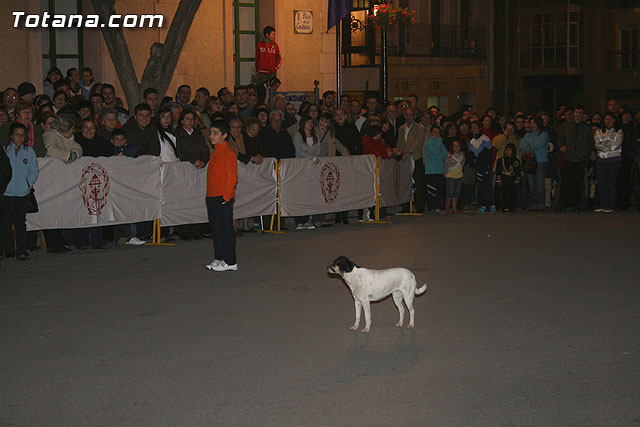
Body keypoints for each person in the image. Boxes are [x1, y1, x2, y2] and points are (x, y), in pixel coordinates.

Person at [1, 123, 39, 261]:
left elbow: (34, 170)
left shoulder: (29, 152)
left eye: (22, 135)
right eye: (17, 134)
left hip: (22, 193)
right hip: (6, 193)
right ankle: (2, 250)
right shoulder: (4, 150)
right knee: (4, 222)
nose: (20, 137)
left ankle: (21, 250)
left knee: (20, 223)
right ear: (11, 135)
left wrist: (27, 184)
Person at [205, 119, 238, 272]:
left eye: (215, 133)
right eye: (211, 133)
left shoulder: (228, 153)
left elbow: (231, 177)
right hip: (212, 195)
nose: (211, 136)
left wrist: (226, 197)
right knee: (216, 228)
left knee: (226, 229)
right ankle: (220, 258)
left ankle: (230, 261)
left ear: (224, 135)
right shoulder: (215, 153)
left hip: (222, 197)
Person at [292, 116, 329, 229]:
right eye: (308, 122)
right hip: (301, 167)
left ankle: (308, 218)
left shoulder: (315, 135)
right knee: (301, 193)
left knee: (312, 193)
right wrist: (311, 157)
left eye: (311, 122)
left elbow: (317, 150)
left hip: (313, 167)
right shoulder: (298, 135)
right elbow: (298, 150)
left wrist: (310, 155)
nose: (310, 124)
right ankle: (299, 220)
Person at [558, 107, 593, 212]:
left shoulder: (587, 128)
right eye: (576, 112)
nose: (578, 115)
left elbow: (590, 143)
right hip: (568, 158)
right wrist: (562, 145)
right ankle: (563, 204)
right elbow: (561, 138)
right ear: (573, 114)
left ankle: (577, 205)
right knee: (565, 182)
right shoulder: (567, 126)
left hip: (580, 159)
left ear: (583, 115)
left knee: (578, 183)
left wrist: (585, 153)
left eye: (580, 113)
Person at [396, 107, 426, 213]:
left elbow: (419, 142)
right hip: (404, 159)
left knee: (418, 183)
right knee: (404, 183)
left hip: (415, 158)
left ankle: (419, 207)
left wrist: (409, 152)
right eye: (407, 115)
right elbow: (399, 143)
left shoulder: (420, 128)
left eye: (411, 115)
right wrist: (401, 152)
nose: (409, 117)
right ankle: (405, 206)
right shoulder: (401, 128)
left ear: (415, 116)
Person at [593, 113, 623, 213]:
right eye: (606, 119)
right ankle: (603, 204)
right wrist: (607, 144)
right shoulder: (599, 131)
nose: (608, 121)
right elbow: (597, 144)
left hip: (614, 161)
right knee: (602, 183)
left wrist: (604, 143)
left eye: (610, 119)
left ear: (614, 120)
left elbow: (616, 145)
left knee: (611, 183)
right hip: (601, 160)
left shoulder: (618, 131)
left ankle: (611, 205)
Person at [520, 116, 550, 212]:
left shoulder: (544, 134)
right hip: (529, 161)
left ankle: (541, 203)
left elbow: (538, 144)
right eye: (531, 123)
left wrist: (529, 144)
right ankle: (533, 203)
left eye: (534, 123)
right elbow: (521, 145)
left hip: (540, 161)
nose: (532, 125)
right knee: (532, 184)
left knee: (540, 184)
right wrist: (530, 145)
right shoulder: (528, 134)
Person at [469, 121, 495, 213]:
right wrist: (473, 163)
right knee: (480, 186)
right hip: (478, 167)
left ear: (480, 128)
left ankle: (491, 204)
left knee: (487, 185)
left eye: (476, 127)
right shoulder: (472, 141)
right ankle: (482, 205)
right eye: (472, 128)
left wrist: (487, 164)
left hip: (485, 166)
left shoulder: (485, 139)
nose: (474, 129)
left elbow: (489, 153)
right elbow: (471, 155)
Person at [423, 125, 449, 214]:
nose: (437, 135)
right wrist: (439, 141)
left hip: (440, 170)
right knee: (432, 190)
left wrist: (438, 157)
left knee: (439, 190)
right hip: (431, 171)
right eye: (435, 132)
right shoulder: (429, 143)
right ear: (431, 133)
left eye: (438, 133)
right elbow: (435, 152)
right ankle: (432, 208)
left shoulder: (440, 142)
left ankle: (438, 207)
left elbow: (446, 153)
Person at [495, 143, 521, 212]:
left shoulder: (516, 161)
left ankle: (511, 206)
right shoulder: (500, 160)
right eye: (506, 150)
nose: (507, 152)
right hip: (503, 178)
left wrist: (517, 180)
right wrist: (498, 180)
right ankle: (503, 206)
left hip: (512, 179)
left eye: (509, 150)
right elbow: (498, 171)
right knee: (503, 193)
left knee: (512, 193)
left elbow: (518, 172)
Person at [444, 139, 465, 213]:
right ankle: (446, 208)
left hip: (459, 177)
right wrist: (446, 174)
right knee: (449, 193)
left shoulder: (462, 156)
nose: (456, 148)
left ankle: (454, 208)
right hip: (450, 177)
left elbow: (462, 165)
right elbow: (446, 165)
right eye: (454, 146)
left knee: (456, 193)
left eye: (458, 146)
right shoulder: (449, 156)